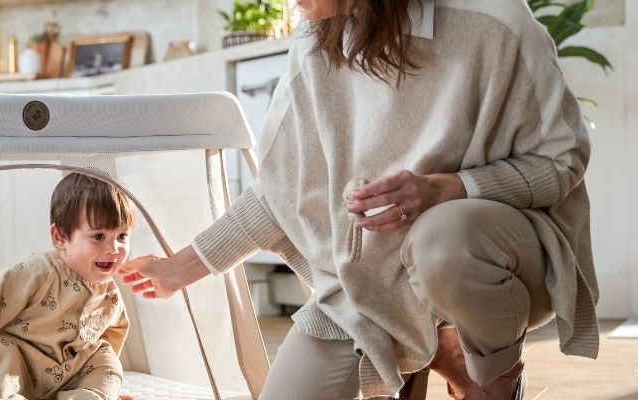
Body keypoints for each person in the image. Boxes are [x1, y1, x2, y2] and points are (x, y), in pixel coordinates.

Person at [121, 0, 597, 399]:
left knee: (442, 238)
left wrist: (444, 188)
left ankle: (496, 373)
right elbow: (284, 191)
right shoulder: (315, 37)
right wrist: (181, 267)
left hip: (500, 254)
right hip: (369, 282)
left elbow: (561, 162)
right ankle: (441, 349)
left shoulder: (492, 19)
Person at [0, 172, 149, 400]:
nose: (114, 248)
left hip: (68, 375)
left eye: (122, 236)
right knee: (1, 348)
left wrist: (105, 386)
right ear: (60, 236)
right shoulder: (39, 271)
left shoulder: (110, 295)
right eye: (98, 236)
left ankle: (90, 396)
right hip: (19, 365)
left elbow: (114, 333)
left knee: (105, 357)